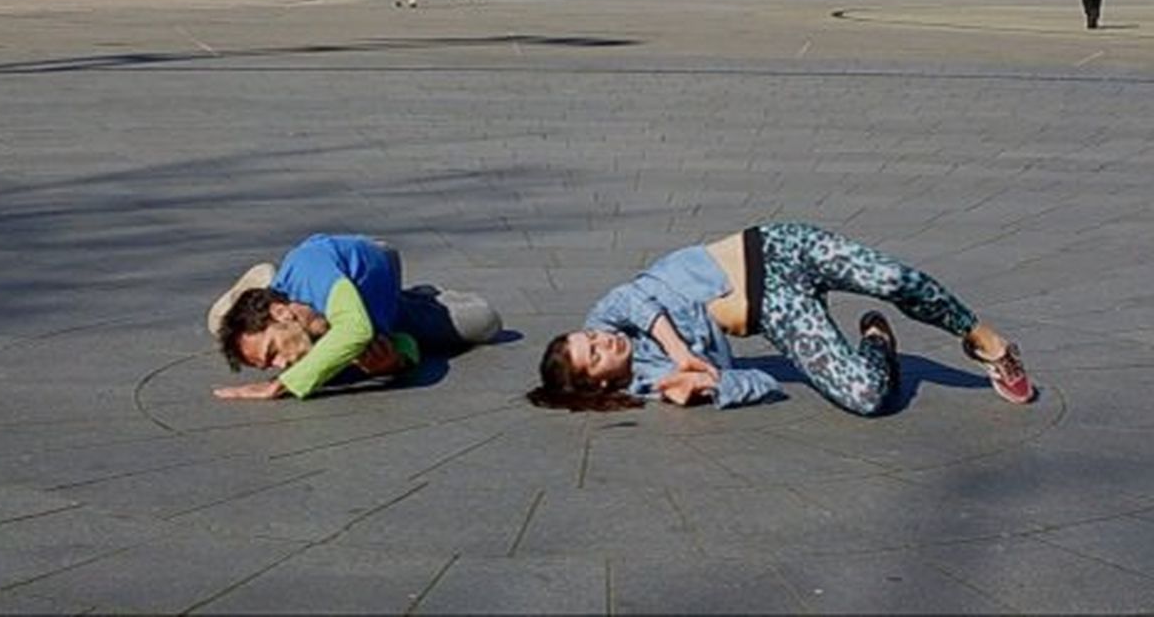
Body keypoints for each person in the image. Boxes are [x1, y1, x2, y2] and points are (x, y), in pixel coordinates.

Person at [529, 223, 1034, 415]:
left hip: (772, 249)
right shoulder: (650, 383)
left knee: (892, 279)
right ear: (594, 385)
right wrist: (707, 386)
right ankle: (877, 338)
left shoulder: (609, 316)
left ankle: (984, 340)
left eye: (590, 338)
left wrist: (682, 356)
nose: (602, 341)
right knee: (866, 398)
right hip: (778, 311)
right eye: (592, 354)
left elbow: (637, 300)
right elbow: (762, 382)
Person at [209, 233, 502, 401]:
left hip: (374, 262)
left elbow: (356, 329)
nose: (280, 365)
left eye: (272, 351)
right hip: (389, 310)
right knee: (484, 322)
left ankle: (260, 289)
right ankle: (416, 297)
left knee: (489, 320)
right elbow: (405, 342)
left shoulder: (309, 266)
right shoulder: (321, 357)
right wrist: (394, 364)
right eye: (269, 367)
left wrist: (282, 384)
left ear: (281, 312)